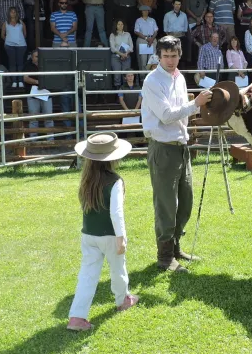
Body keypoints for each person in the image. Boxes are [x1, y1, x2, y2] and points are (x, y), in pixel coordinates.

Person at [141, 36, 213, 273]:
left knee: (185, 201)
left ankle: (175, 248)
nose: (170, 60)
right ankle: (165, 257)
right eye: (165, 56)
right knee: (166, 205)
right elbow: (166, 115)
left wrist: (200, 106)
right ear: (158, 57)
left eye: (174, 56)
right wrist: (196, 104)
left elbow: (181, 114)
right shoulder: (152, 81)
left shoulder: (179, 78)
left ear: (180, 55)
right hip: (162, 147)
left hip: (181, 146)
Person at [66, 132, 139, 331]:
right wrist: (121, 237)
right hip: (110, 235)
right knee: (118, 269)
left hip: (89, 235)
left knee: (87, 275)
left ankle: (77, 317)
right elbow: (116, 212)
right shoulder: (115, 181)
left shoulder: (86, 179)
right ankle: (123, 300)